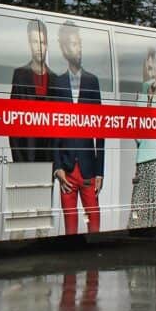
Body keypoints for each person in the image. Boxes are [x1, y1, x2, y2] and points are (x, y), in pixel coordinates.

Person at [52, 21, 104, 235]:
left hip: (89, 169)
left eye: (80, 44)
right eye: (73, 44)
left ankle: (94, 267)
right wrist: (57, 167)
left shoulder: (92, 81)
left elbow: (100, 130)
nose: (78, 48)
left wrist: (100, 171)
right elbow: (53, 129)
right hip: (66, 170)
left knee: (94, 224)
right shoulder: (58, 83)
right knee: (70, 231)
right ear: (64, 49)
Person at [128, 47, 156, 229]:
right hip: (141, 161)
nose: (150, 74)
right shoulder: (141, 97)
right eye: (147, 70)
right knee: (137, 213)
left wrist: (153, 109)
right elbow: (137, 135)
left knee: (155, 209)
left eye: (153, 69)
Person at [9, 18, 56, 163]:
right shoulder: (20, 75)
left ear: (47, 44)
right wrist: (19, 162)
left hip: (48, 158)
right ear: (29, 44)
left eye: (42, 42)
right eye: (35, 42)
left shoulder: (55, 79)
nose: (39, 47)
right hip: (25, 156)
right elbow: (13, 125)